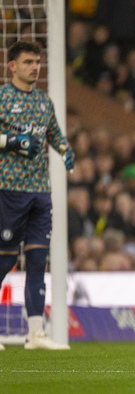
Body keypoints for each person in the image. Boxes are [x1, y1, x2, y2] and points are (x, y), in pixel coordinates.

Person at [0, 41, 74, 351]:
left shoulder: (44, 101)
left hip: (41, 192)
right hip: (9, 190)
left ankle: (36, 333)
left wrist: (65, 149)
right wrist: (11, 142)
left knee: (37, 261)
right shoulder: (2, 97)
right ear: (12, 66)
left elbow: (53, 133)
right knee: (3, 262)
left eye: (37, 62)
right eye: (28, 61)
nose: (35, 67)